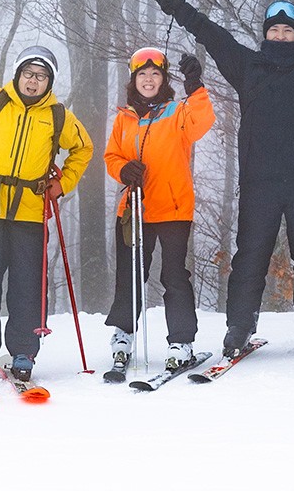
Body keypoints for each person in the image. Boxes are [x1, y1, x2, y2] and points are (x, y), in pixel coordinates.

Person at [141, 0, 294, 362]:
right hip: (259, 182)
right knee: (250, 256)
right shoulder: (247, 65)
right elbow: (206, 29)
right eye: (274, 30)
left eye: (287, 31)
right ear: (266, 34)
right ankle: (239, 326)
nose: (280, 36)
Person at [0, 9, 93, 383]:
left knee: (28, 285)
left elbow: (84, 149)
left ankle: (24, 351)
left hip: (30, 211)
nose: (33, 80)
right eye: (28, 73)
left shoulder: (58, 116)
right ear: (18, 75)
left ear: (49, 82)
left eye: (41, 76)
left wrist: (63, 183)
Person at [103, 47, 215, 371]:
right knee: (130, 276)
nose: (148, 79)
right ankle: (122, 336)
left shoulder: (177, 111)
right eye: (142, 74)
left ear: (163, 79)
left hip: (173, 208)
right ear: (133, 79)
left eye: (155, 74)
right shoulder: (124, 118)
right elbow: (112, 157)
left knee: (174, 276)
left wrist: (195, 85)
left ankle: (181, 341)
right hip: (134, 210)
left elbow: (202, 121)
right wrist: (124, 170)